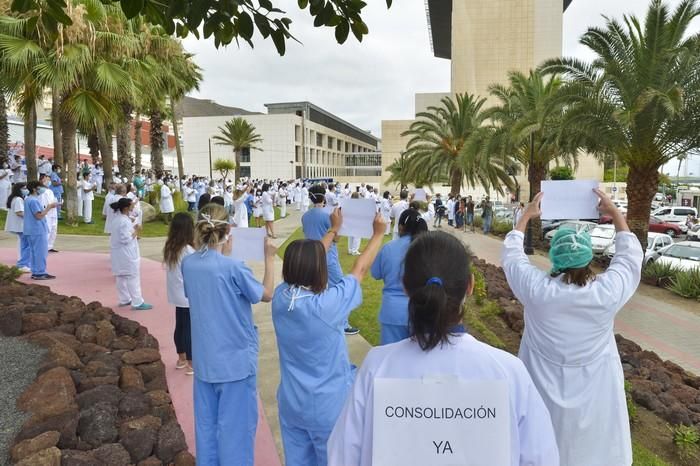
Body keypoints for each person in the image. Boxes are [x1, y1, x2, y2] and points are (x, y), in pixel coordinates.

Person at [328, 231, 559, 465]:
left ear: (405, 287)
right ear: (470, 285)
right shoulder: (509, 371)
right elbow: (541, 457)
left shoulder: (376, 367)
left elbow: (342, 454)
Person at [501, 190, 642, 466]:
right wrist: (615, 214)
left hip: (542, 395)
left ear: (555, 255)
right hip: (596, 395)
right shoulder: (606, 294)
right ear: (589, 258)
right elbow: (629, 259)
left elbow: (512, 257)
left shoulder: (536, 291)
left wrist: (526, 216)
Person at [272, 209, 385, 466]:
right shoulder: (326, 307)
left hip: (291, 403)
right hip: (326, 408)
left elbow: (312, 259)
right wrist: (378, 234)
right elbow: (359, 270)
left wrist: (333, 231)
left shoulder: (281, 298)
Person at [181, 204, 276, 466]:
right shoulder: (233, 267)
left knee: (207, 430)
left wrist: (224, 254)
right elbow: (266, 295)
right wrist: (269, 258)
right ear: (228, 230)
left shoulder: (189, 264)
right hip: (235, 362)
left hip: (205, 360)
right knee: (236, 434)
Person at [302, 184, 359, 336]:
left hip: (312, 256)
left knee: (316, 289)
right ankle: (343, 324)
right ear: (324, 197)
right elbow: (337, 238)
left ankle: (317, 320)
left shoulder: (305, 216)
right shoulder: (327, 215)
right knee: (339, 289)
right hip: (328, 257)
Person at [371, 209, 428, 345]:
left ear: (401, 227)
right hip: (423, 310)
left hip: (392, 312)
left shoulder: (389, 248)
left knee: (391, 359)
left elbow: (375, 273)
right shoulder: (428, 248)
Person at [164, 213, 196, 375]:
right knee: (190, 328)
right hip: (188, 294)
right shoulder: (188, 251)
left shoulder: (171, 247)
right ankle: (191, 362)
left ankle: (181, 358)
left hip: (176, 293)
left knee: (180, 326)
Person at [109, 197, 152, 311]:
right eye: (131, 206)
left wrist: (132, 227)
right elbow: (126, 239)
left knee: (121, 276)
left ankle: (124, 299)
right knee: (132, 276)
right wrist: (137, 230)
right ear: (126, 208)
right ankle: (137, 302)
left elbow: (123, 233)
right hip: (126, 253)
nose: (133, 207)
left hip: (118, 253)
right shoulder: (123, 221)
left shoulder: (117, 219)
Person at [23, 181, 56, 280]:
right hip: (37, 230)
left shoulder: (28, 199)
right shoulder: (33, 201)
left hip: (30, 229)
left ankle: (36, 271)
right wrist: (49, 207)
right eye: (40, 187)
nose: (42, 189)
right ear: (34, 189)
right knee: (40, 252)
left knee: (34, 252)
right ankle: (40, 272)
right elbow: (39, 215)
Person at [4, 183, 31, 273]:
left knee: (24, 245)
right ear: (18, 189)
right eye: (24, 188)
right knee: (26, 245)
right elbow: (19, 212)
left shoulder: (13, 198)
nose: (26, 189)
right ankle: (23, 264)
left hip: (19, 226)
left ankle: (24, 263)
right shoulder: (19, 199)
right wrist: (31, 216)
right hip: (21, 226)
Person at [39, 174, 59, 253]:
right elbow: (44, 203)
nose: (48, 181)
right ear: (42, 180)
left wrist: (57, 203)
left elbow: (53, 200)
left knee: (54, 230)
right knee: (47, 230)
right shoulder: (41, 191)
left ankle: (50, 246)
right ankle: (43, 246)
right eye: (47, 179)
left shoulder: (50, 190)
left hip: (53, 212)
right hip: (47, 212)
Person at [347, 192, 362, 256]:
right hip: (356, 221)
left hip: (349, 221)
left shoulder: (349, 203)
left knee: (350, 236)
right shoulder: (358, 204)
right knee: (357, 236)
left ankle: (350, 250)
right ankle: (354, 250)